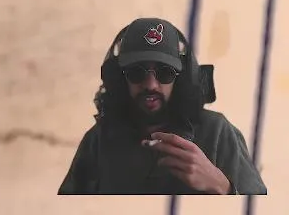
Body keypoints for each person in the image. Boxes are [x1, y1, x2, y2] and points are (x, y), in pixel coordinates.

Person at [58, 18, 267, 195]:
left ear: (182, 78)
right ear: (119, 79)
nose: (151, 85)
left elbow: (261, 207)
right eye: (136, 73)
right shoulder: (99, 140)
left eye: (165, 73)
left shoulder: (217, 132)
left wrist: (222, 186)